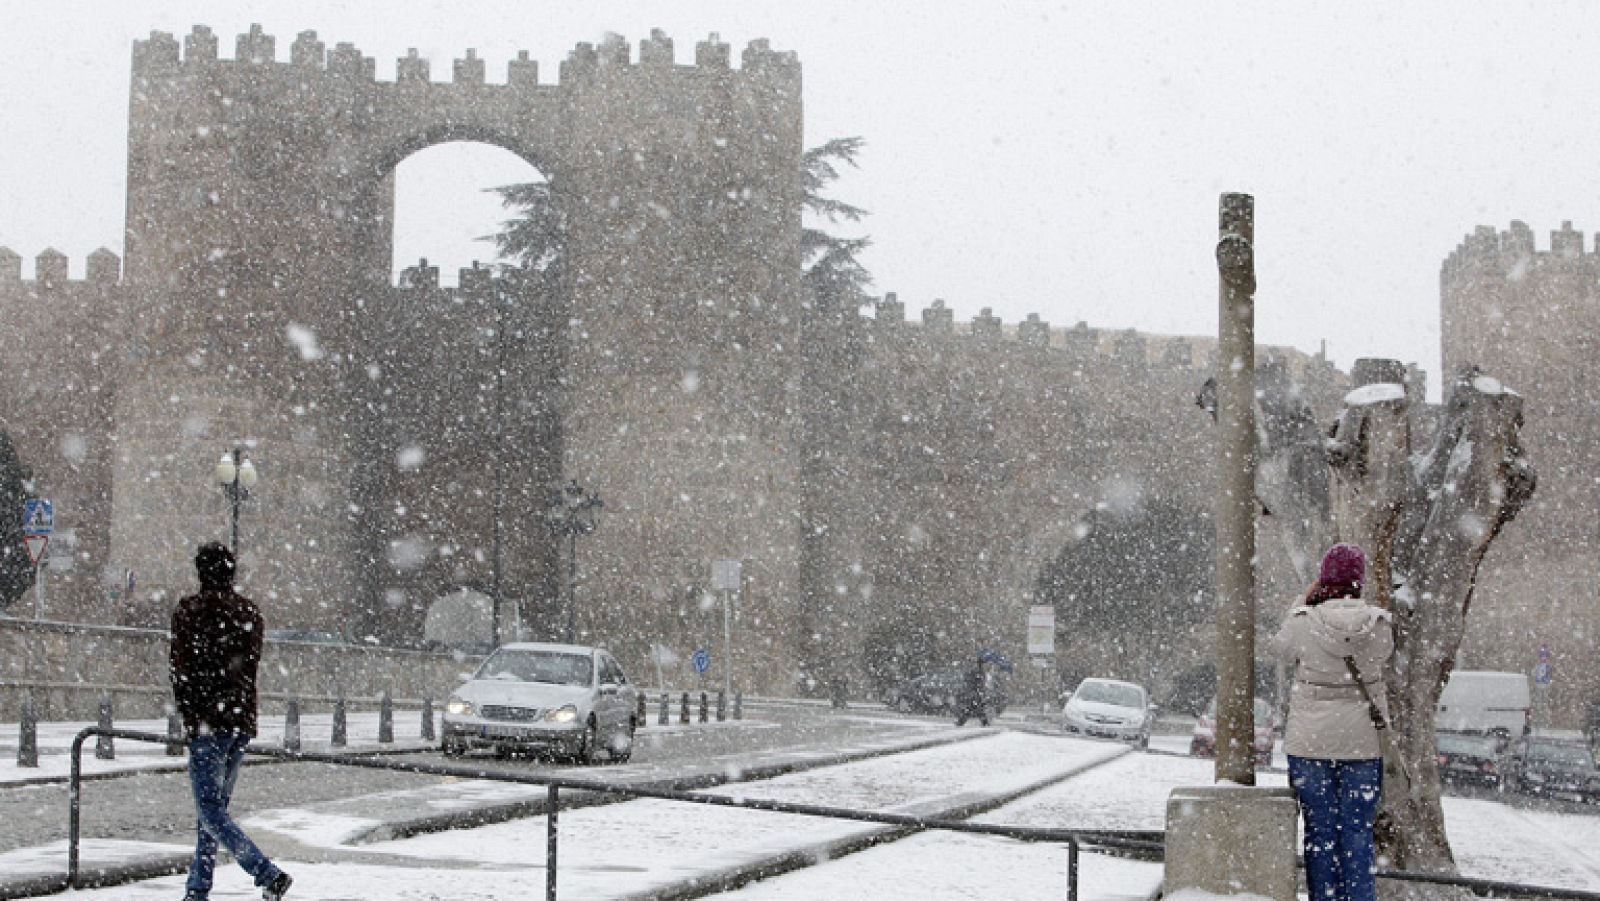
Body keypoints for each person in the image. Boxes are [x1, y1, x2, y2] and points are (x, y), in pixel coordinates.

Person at [1266, 542, 1393, 901]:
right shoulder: (1380, 625)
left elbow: (1279, 649)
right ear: (1360, 580)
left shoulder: (1303, 622)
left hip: (1310, 744)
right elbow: (1384, 656)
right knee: (1357, 832)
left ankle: (1324, 897)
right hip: (1362, 744)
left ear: (1324, 579)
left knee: (1320, 832)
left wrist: (1302, 603)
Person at [169, 542, 293, 901]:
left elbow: (181, 672)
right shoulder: (249, 612)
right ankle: (197, 888)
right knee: (214, 812)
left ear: (200, 573)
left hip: (208, 723)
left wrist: (191, 715)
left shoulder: (189, 612)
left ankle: (266, 873)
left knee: (210, 812)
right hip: (238, 721)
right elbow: (249, 667)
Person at [953, 657, 990, 727]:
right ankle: (984, 723)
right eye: (984, 663)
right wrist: (979, 692)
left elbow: (972, 681)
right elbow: (976, 683)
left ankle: (961, 722)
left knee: (973, 709)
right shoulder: (978, 671)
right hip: (976, 693)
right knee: (976, 709)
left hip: (976, 693)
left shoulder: (979, 671)